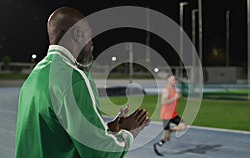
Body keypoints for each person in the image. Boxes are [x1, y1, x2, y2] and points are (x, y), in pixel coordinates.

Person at [15, 7, 150, 158]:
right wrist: (129, 132)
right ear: (78, 34)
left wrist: (107, 129)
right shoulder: (75, 79)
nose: (91, 43)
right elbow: (100, 153)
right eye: (89, 35)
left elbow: (56, 134)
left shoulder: (35, 75)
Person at [153, 74, 186, 156]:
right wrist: (175, 98)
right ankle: (159, 143)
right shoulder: (166, 90)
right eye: (173, 80)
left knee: (182, 127)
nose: (175, 81)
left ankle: (169, 131)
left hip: (174, 114)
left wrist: (177, 96)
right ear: (168, 81)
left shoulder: (175, 91)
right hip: (166, 116)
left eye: (175, 80)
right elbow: (163, 102)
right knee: (165, 138)